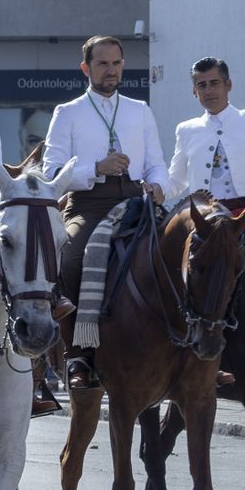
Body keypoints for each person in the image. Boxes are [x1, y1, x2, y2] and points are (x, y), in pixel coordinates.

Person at [43, 34, 170, 390]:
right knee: (68, 260)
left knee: (185, 254)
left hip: (135, 201)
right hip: (89, 204)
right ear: (86, 68)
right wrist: (96, 168)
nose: (111, 70)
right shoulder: (66, 113)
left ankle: (188, 347)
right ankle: (77, 355)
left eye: (116, 63)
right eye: (102, 63)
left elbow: (157, 165)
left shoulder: (139, 110)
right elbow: (53, 173)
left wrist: (159, 185)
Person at [168, 57, 245, 215]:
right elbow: (176, 181)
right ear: (194, 91)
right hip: (203, 221)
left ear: (228, 85)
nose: (208, 91)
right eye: (202, 85)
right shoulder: (186, 130)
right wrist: (152, 188)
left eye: (214, 83)